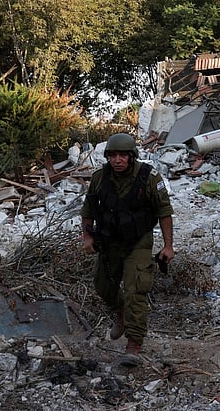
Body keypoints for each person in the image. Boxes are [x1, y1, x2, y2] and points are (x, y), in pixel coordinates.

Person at [81, 133, 174, 366]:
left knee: (136, 290)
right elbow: (88, 209)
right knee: (103, 286)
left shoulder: (149, 177)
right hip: (109, 242)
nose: (118, 160)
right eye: (113, 155)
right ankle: (120, 313)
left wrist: (168, 246)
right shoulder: (100, 178)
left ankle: (134, 343)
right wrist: (87, 237)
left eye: (123, 155)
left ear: (132, 157)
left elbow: (164, 211)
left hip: (138, 242)